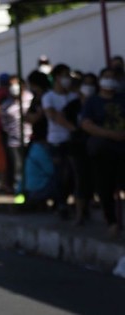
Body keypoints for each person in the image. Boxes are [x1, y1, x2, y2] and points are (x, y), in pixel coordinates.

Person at [81, 67, 125, 237]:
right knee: (105, 187)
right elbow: (86, 124)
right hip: (103, 151)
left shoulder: (122, 99)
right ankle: (112, 221)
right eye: (106, 77)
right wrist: (111, 134)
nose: (110, 80)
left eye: (112, 77)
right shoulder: (93, 102)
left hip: (122, 150)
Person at [42, 64, 78, 219]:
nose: (67, 79)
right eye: (64, 75)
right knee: (59, 173)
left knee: (72, 173)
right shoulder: (48, 97)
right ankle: (60, 203)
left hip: (72, 142)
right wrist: (73, 128)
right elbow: (53, 116)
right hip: (56, 140)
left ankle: (67, 201)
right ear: (56, 77)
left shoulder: (73, 97)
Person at [63, 72, 97, 226]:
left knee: (96, 180)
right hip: (78, 147)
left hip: (97, 146)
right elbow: (65, 121)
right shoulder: (73, 105)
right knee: (80, 180)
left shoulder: (99, 104)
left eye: (91, 84)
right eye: (86, 83)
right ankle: (79, 213)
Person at [0, 76, 33, 193]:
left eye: (16, 84)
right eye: (11, 84)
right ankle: (19, 190)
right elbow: (4, 123)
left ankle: (30, 189)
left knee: (30, 165)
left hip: (30, 138)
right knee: (17, 167)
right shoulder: (6, 104)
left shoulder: (30, 98)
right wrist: (12, 131)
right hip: (14, 140)